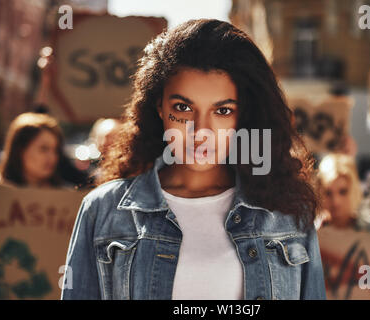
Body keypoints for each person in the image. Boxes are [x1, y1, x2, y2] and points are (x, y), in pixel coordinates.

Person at [61, 19, 326, 300]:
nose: (201, 131)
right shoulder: (104, 211)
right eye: (183, 108)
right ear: (159, 107)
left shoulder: (287, 214)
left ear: (243, 116)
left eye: (222, 111)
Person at [0, 112, 65, 188]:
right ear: (20, 149)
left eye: (55, 150)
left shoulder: (67, 195)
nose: (52, 157)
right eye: (43, 149)